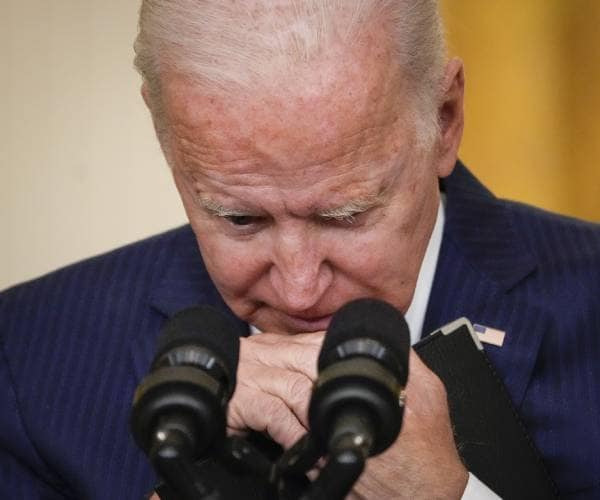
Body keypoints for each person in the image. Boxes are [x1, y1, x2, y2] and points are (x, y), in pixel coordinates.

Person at [1, 1, 599, 499]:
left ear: (444, 119)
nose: (298, 287)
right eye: (239, 218)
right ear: (165, 134)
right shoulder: (26, 359)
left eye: (347, 215)